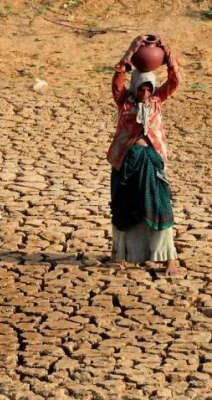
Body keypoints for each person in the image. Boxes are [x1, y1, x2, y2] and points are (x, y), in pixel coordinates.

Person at [107, 34, 181, 275]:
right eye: (143, 88)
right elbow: (117, 79)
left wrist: (168, 55)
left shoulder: (158, 101)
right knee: (124, 207)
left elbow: (174, 81)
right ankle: (121, 256)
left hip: (151, 161)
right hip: (127, 162)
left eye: (149, 88)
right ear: (135, 86)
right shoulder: (124, 102)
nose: (147, 92)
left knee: (160, 206)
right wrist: (130, 53)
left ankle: (169, 258)